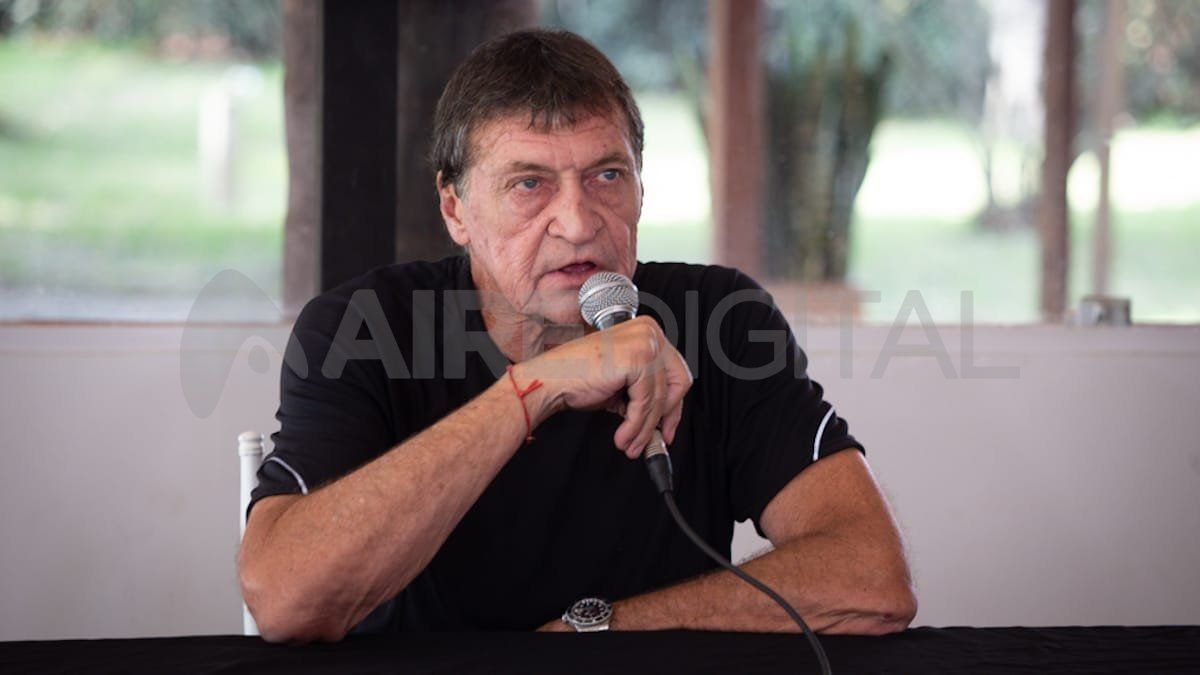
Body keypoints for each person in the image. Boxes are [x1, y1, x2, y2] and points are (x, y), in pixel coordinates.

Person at [238, 28, 916, 642]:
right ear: (456, 209)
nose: (578, 220)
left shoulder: (722, 318)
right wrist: (536, 388)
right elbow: (287, 599)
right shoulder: (363, 326)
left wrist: (604, 626)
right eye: (529, 183)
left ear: (641, 190)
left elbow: (871, 580)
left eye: (607, 175)